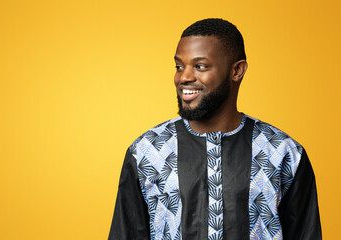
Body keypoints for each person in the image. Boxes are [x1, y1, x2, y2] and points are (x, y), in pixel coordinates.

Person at [108, 18, 321, 240]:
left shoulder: (283, 153)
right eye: (179, 67)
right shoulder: (147, 152)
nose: (184, 77)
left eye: (200, 66)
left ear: (237, 71)